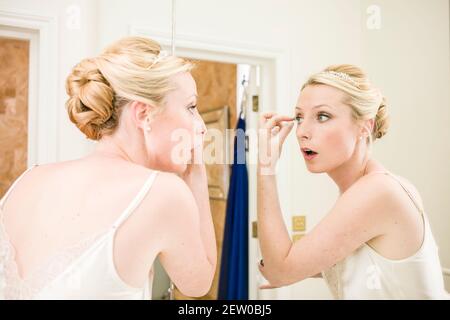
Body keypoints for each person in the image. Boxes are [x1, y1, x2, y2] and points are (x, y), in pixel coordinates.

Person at [0, 36, 216, 300]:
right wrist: (196, 172)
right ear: (143, 114)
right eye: (190, 107)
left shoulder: (28, 179)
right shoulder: (161, 192)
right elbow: (198, 284)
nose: (201, 126)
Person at [257, 64, 448, 299]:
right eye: (299, 117)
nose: (302, 131)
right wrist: (301, 265)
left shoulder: (378, 191)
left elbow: (279, 271)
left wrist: (266, 167)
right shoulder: (367, 188)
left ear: (364, 127)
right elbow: (366, 264)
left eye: (322, 116)